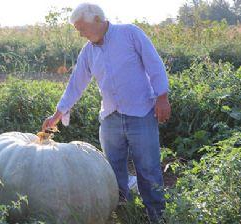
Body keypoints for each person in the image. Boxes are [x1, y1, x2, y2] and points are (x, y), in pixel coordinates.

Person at [41, 3, 171, 222]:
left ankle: (157, 215)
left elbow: (154, 64)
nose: (80, 33)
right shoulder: (88, 52)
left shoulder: (130, 33)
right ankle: (122, 211)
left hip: (141, 113)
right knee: (113, 170)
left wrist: (162, 97)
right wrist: (57, 113)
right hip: (110, 118)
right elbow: (76, 84)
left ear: (97, 20)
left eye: (81, 28)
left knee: (148, 168)